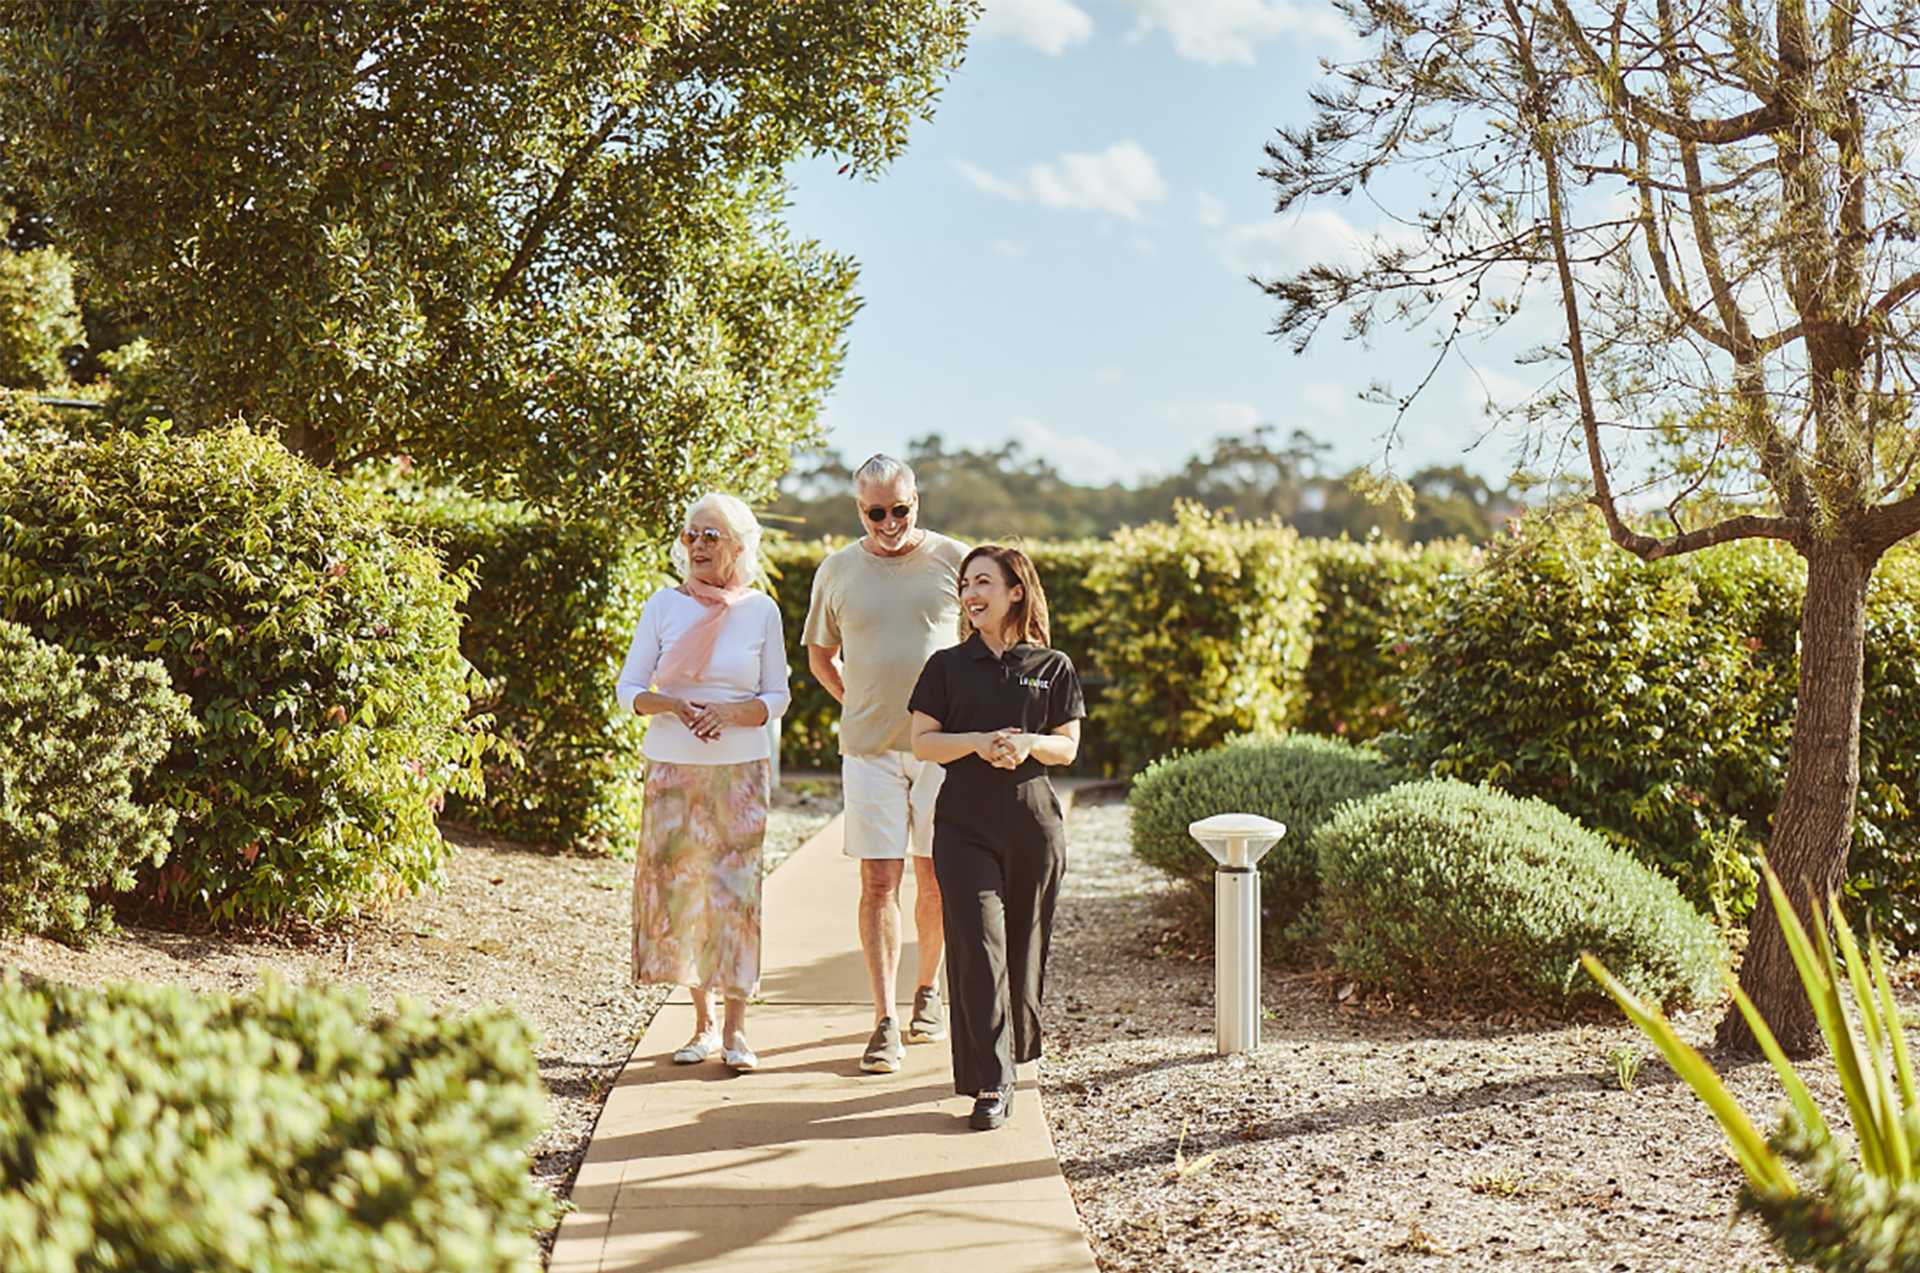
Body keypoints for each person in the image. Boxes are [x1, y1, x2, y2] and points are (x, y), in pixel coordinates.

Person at [907, 545, 1084, 1130]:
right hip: (962, 828)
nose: (970, 593)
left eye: (983, 581)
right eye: (965, 584)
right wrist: (979, 740)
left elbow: (1068, 745)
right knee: (978, 949)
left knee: (1023, 949)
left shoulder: (1052, 666)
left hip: (1033, 827)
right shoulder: (946, 667)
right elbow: (924, 742)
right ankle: (992, 1081)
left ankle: (1012, 1054)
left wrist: (1028, 744)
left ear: (1016, 591)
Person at [803, 454, 969, 1074]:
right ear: (859, 511)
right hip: (868, 750)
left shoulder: (955, 560)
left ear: (916, 501)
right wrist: (859, 701)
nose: (890, 521)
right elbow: (822, 657)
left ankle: (927, 990)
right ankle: (884, 1020)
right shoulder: (838, 570)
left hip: (941, 749)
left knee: (935, 878)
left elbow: (988, 645)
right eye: (877, 512)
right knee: (877, 882)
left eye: (901, 508)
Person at [616, 492, 790, 1074]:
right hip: (671, 768)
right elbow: (629, 689)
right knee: (684, 891)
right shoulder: (662, 606)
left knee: (735, 897)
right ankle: (703, 1024)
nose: (697, 546)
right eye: (691, 535)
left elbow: (778, 696)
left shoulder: (761, 610)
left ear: (739, 546)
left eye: (710, 536)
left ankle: (738, 1031)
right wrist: (673, 703)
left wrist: (737, 713)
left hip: (740, 772)